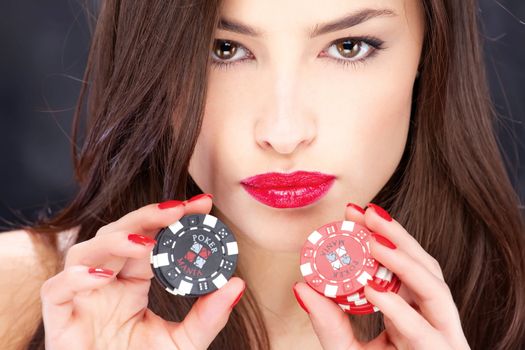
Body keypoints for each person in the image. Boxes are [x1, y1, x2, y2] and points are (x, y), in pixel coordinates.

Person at [1, 0, 524, 349]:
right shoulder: (15, 295)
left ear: (429, 55)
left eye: (348, 46)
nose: (283, 131)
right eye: (223, 49)